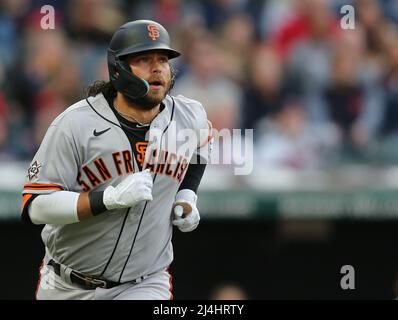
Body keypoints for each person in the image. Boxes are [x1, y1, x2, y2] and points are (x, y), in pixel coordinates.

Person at [21, 19, 212, 300]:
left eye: (163, 59)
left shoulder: (188, 115)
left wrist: (187, 194)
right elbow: (36, 206)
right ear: (119, 68)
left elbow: (202, 143)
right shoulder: (75, 124)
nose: (157, 67)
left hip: (144, 283)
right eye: (144, 59)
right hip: (68, 285)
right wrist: (106, 199)